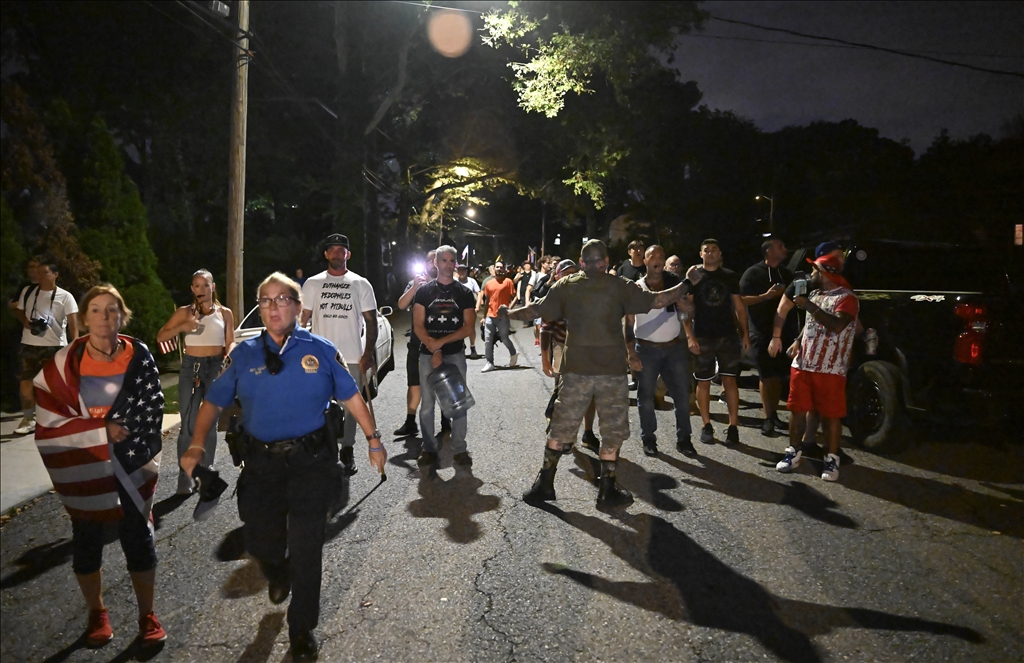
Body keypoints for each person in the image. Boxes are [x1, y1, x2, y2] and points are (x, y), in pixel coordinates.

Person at [180, 272, 386, 662]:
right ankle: (276, 569)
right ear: (261, 308)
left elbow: (351, 396)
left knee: (308, 547)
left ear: (296, 307)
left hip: (311, 462)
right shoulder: (243, 355)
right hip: (260, 464)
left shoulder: (320, 350)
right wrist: (194, 444)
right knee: (262, 540)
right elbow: (213, 402)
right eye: (266, 300)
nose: (274, 306)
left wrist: (373, 439)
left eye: (282, 299)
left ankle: (301, 627)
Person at [503, 240, 699, 507]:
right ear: (605, 262)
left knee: (561, 427)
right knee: (612, 430)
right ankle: (607, 489)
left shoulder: (567, 286)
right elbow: (659, 300)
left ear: (582, 263)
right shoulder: (619, 286)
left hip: (576, 372)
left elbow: (537, 310)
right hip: (611, 373)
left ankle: (544, 484)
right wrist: (687, 283)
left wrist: (508, 313)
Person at [33, 284, 166, 648]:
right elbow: (48, 418)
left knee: (138, 539)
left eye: (112, 309)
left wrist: (122, 435)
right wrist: (98, 430)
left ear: (122, 315)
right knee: (87, 541)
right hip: (87, 463)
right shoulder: (65, 363)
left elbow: (153, 409)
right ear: (85, 316)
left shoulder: (139, 356)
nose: (104, 317)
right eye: (95, 309)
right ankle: (97, 612)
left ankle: (147, 615)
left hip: (130, 462)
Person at [769, 254, 858, 482]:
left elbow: (837, 325)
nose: (811, 275)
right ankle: (793, 452)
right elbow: (811, 323)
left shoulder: (846, 299)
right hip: (804, 364)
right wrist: (799, 340)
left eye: (815, 271)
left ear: (826, 273)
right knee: (796, 410)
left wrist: (808, 305)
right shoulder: (816, 294)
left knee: (830, 416)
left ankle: (831, 458)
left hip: (830, 368)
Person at [301, 233, 378, 476]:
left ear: (348, 254)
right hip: (320, 357)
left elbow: (371, 321)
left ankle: (347, 449)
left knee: (352, 408)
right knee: (319, 406)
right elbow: (302, 320)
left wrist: (368, 353)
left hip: (352, 356)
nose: (336, 252)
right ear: (325, 254)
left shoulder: (360, 283)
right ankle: (325, 450)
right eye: (332, 249)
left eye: (341, 249)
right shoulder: (313, 283)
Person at [156, 269, 235, 495]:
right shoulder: (184, 312)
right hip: (192, 367)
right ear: (192, 289)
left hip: (215, 367)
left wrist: (227, 361)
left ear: (213, 287)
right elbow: (161, 336)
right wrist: (182, 327)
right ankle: (185, 476)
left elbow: (230, 342)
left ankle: (206, 470)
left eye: (205, 285)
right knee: (189, 424)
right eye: (197, 286)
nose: (201, 290)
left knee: (210, 422)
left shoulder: (225, 313)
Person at [625, 245, 698, 458]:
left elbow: (686, 312)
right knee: (645, 397)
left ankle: (684, 440)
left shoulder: (673, 285)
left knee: (681, 396)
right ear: (644, 261)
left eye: (661, 256)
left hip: (674, 348)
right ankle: (649, 439)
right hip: (646, 349)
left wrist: (689, 314)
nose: (657, 259)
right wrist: (631, 353)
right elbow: (629, 325)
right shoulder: (636, 288)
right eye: (652, 256)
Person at [413, 246, 477, 467]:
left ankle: (459, 449)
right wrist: (434, 349)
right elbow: (418, 326)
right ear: (436, 263)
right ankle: (429, 448)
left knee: (458, 403)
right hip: (427, 356)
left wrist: (439, 345)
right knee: (428, 405)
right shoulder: (424, 292)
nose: (448, 265)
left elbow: (469, 327)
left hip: (455, 355)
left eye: (452, 261)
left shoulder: (465, 293)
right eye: (444, 261)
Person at [684, 239, 750, 447]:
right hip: (702, 335)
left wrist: (745, 334)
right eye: (706, 250)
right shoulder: (695, 277)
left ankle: (733, 427)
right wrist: (689, 335)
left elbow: (739, 307)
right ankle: (706, 425)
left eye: (714, 250)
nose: (710, 253)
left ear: (720, 253)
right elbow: (686, 307)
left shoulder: (729, 276)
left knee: (730, 380)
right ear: (700, 253)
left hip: (727, 336)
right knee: (703, 381)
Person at [15, 256, 79, 435]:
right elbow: (18, 309)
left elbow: (73, 322)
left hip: (54, 346)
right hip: (29, 345)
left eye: (45, 273)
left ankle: (58, 419)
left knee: (55, 386)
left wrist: (73, 345)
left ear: (55, 275)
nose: (40, 276)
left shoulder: (65, 296)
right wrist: (25, 322)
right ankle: (28, 419)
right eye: (38, 272)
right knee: (25, 383)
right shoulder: (28, 292)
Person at [739, 239, 796, 437]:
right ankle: (767, 417)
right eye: (781, 246)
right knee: (766, 375)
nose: (785, 249)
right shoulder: (753, 273)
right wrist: (766, 296)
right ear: (769, 250)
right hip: (761, 332)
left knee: (778, 374)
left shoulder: (786, 274)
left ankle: (774, 415)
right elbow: (740, 299)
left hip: (783, 332)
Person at [394, 251, 439, 438]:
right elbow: (401, 305)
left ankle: (446, 422)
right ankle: (410, 422)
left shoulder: (447, 283)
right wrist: (415, 286)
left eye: (439, 260)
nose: (434, 264)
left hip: (440, 342)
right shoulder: (416, 282)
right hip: (417, 342)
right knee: (414, 383)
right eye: (431, 261)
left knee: (441, 383)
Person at [479, 260, 518, 372]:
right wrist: (483, 316)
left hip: (503, 316)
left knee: (504, 338)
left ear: (504, 269)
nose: (499, 269)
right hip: (490, 316)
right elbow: (487, 301)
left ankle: (513, 354)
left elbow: (515, 297)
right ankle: (489, 362)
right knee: (488, 340)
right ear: (493, 269)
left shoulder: (508, 282)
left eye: (501, 267)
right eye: (497, 267)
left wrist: (509, 308)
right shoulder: (488, 283)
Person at [456, 264, 482, 359]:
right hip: (457, 309)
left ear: (466, 271)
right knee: (458, 328)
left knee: (470, 328)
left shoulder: (471, 281)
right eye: (460, 270)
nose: (462, 272)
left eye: (463, 270)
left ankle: (472, 347)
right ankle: (460, 346)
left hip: (470, 308)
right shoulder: (454, 281)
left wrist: (478, 306)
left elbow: (479, 293)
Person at [513, 260, 538, 328]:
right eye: (525, 265)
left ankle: (531, 320)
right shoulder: (520, 273)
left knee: (531, 307)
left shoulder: (534, 273)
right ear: (523, 266)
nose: (527, 266)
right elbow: (514, 282)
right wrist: (518, 277)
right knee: (524, 307)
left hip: (532, 293)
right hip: (522, 293)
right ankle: (526, 322)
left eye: (528, 264)